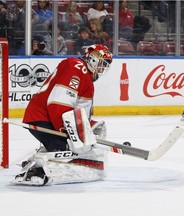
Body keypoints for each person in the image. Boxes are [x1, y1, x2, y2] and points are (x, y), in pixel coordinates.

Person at [13, 44, 113, 186]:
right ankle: (38, 170)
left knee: (75, 149)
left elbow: (80, 113)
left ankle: (37, 163)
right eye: (102, 64)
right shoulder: (77, 67)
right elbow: (58, 103)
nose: (102, 69)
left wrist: (87, 129)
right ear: (93, 59)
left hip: (48, 119)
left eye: (106, 66)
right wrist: (65, 131)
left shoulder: (86, 79)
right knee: (67, 151)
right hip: (43, 118)